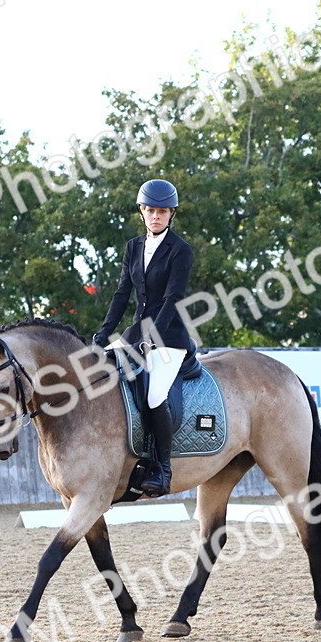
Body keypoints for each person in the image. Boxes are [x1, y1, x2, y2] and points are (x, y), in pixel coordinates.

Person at [92, 179, 194, 498]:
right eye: (150, 210)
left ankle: (162, 470)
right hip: (135, 333)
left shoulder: (180, 250)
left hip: (169, 338)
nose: (156, 216)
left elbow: (172, 298)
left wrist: (151, 337)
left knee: (154, 397)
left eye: (162, 211)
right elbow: (123, 293)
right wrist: (104, 332)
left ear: (171, 214)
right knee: (99, 373)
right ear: (142, 212)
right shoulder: (133, 247)